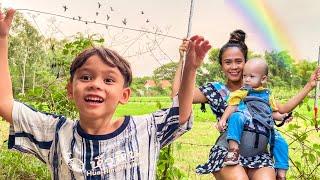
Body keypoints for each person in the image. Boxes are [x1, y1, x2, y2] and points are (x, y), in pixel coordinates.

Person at [0, 9, 212, 179]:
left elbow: (180, 115)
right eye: (85, 77)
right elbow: (4, 102)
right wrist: (1, 39)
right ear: (70, 90)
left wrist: (190, 69)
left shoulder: (146, 130)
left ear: (124, 95)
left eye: (109, 80)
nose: (96, 85)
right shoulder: (54, 133)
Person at [172, 29, 320, 180]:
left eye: (238, 61)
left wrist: (309, 86)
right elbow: (177, 96)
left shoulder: (261, 92)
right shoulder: (215, 90)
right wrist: (184, 61)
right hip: (228, 151)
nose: (234, 67)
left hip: (258, 153)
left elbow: (280, 109)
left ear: (246, 63)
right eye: (228, 62)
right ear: (221, 65)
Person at [216, 58, 290, 167]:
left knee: (280, 142)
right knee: (236, 116)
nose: (247, 79)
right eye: (244, 76)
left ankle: (281, 171)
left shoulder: (268, 95)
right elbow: (232, 106)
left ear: (263, 79)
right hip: (246, 121)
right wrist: (223, 119)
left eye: (251, 76)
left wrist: (283, 116)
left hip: (263, 125)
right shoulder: (242, 92)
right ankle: (233, 151)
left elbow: (272, 114)